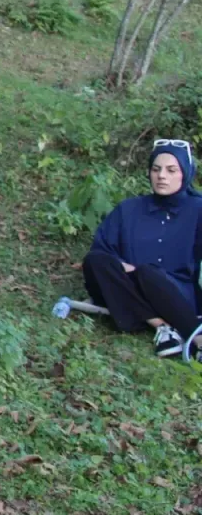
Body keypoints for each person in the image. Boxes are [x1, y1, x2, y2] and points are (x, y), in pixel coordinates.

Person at [84, 140, 202, 359]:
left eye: (171, 170)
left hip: (175, 290)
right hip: (131, 284)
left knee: (148, 273)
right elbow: (102, 250)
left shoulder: (198, 209)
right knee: (95, 260)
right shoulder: (129, 209)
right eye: (156, 169)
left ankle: (195, 337)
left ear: (185, 173)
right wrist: (125, 268)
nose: (162, 176)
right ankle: (162, 326)